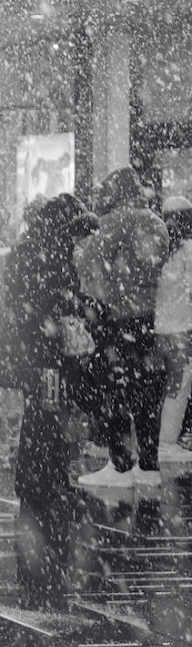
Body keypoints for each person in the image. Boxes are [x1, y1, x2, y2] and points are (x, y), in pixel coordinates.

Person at [0, 193, 97, 603]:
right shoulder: (46, 254)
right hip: (44, 357)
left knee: (42, 415)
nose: (75, 241)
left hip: (32, 355)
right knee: (44, 415)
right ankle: (41, 481)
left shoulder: (31, 248)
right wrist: (67, 315)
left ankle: (44, 478)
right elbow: (44, 306)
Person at [75, 171, 168, 487]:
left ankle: (120, 465)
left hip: (118, 317)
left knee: (115, 387)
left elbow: (89, 262)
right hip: (150, 317)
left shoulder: (114, 221)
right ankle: (150, 465)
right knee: (147, 391)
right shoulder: (156, 222)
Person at [153, 196, 192, 465]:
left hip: (160, 329)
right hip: (182, 328)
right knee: (179, 386)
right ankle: (167, 442)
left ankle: (162, 439)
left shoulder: (158, 248)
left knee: (167, 385)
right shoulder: (188, 250)